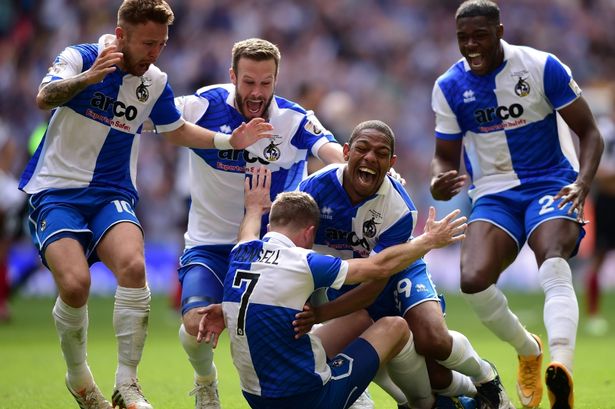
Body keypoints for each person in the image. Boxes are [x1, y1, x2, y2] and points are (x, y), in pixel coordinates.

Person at [18, 2, 272, 409]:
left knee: (135, 268)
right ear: (121, 37)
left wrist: (230, 141)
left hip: (112, 193)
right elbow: (44, 97)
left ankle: (127, 384)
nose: (155, 53)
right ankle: (79, 378)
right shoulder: (79, 57)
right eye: (148, 43)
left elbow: (175, 130)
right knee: (75, 285)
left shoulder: (154, 81)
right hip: (57, 191)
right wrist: (89, 77)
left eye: (162, 44)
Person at [429, 1, 604, 408]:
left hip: (552, 183)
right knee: (472, 280)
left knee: (553, 256)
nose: (470, 45)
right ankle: (528, 350)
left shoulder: (542, 67)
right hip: (494, 193)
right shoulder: (449, 87)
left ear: (500, 30)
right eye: (462, 38)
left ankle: (562, 368)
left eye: (479, 36)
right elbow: (444, 156)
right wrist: (439, 179)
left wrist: (582, 184)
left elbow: (590, 133)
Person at [196, 166, 468, 409]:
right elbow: (378, 268)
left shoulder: (241, 251)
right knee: (394, 326)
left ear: (272, 223)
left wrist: (254, 207)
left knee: (359, 318)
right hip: (306, 399)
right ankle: (426, 404)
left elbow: (248, 229)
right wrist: (428, 241)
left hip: (255, 398)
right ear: (308, 233)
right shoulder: (304, 262)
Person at [172, 38, 344, 409]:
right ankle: (206, 381)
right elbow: (156, 118)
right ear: (232, 76)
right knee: (194, 324)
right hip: (210, 243)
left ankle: (336, 388)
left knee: (300, 326)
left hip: (273, 251)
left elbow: (330, 149)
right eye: (248, 82)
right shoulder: (203, 105)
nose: (257, 92)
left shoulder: (293, 119)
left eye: (266, 83)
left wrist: (359, 165)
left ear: (276, 80)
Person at [294, 120, 509, 409]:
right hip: (347, 284)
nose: (370, 157)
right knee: (431, 376)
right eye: (362, 148)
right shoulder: (313, 190)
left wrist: (321, 313)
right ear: (346, 152)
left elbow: (377, 281)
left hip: (396, 272)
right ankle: (452, 400)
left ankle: (486, 378)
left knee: (432, 340)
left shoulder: (399, 207)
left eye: (381, 153)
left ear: (391, 162)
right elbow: (296, 250)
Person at [584, 110, 615, 336]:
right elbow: (594, 169)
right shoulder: (602, 129)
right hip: (606, 202)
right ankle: (593, 315)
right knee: (599, 256)